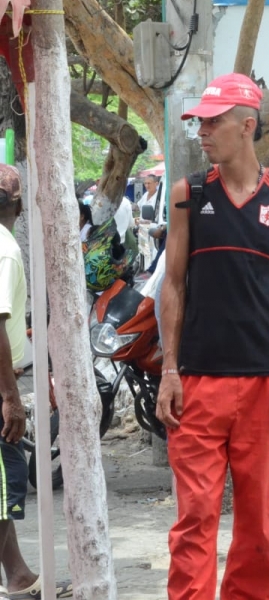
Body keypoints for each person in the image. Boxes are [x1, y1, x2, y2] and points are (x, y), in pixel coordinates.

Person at [155, 72, 269, 600]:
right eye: (200, 121)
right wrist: (169, 370)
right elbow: (172, 285)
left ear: (247, 126)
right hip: (197, 383)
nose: (202, 131)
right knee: (194, 519)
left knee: (258, 527)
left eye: (212, 121)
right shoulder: (189, 194)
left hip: (265, 386)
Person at [0, 165, 72, 599]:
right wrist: (10, 395)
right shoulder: (5, 250)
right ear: (20, 204)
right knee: (7, 480)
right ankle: (19, 576)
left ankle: (19, 575)